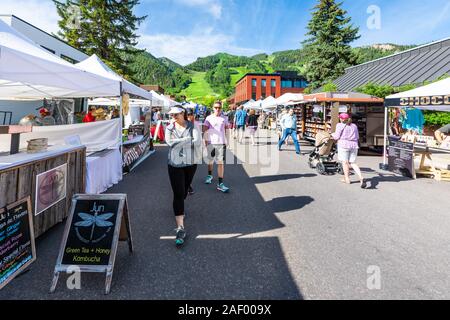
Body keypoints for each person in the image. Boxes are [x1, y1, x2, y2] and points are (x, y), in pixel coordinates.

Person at [165, 106, 201, 247]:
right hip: (174, 164)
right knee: (178, 194)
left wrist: (179, 142)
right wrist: (187, 140)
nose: (173, 116)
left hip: (191, 163)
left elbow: (197, 142)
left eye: (176, 114)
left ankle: (182, 202)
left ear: (182, 113)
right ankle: (180, 228)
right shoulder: (169, 128)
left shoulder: (193, 126)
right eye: (172, 114)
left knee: (185, 189)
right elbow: (169, 142)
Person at [332, 113, 366, 189]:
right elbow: (357, 137)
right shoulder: (354, 126)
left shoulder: (339, 125)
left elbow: (336, 136)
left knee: (345, 162)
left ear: (341, 119)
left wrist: (332, 135)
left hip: (344, 145)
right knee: (353, 163)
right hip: (354, 145)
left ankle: (347, 179)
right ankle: (361, 177)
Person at [204, 101, 230, 193]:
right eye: (216, 107)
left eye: (219, 107)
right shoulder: (208, 118)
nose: (217, 109)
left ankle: (220, 183)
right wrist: (206, 141)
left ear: (221, 108)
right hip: (211, 143)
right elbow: (205, 130)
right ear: (213, 108)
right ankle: (209, 175)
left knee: (220, 163)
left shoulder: (225, 118)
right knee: (210, 161)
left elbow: (227, 129)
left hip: (221, 143)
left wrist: (227, 140)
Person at [186, 108, 202, 195]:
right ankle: (187, 185)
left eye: (190, 114)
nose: (189, 116)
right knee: (184, 169)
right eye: (187, 115)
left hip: (194, 150)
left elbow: (198, 140)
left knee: (191, 170)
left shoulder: (195, 125)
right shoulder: (181, 124)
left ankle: (188, 184)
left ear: (193, 115)